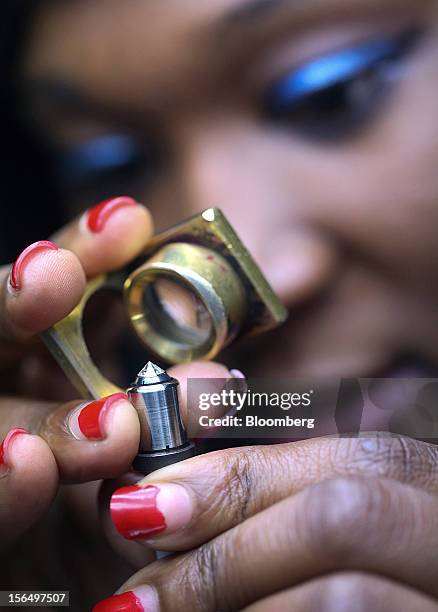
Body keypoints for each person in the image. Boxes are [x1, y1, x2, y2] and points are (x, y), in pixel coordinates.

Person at [2, 0, 438, 610]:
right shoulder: (80, 548)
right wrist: (45, 595)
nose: (261, 273)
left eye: (329, 91)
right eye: (110, 163)